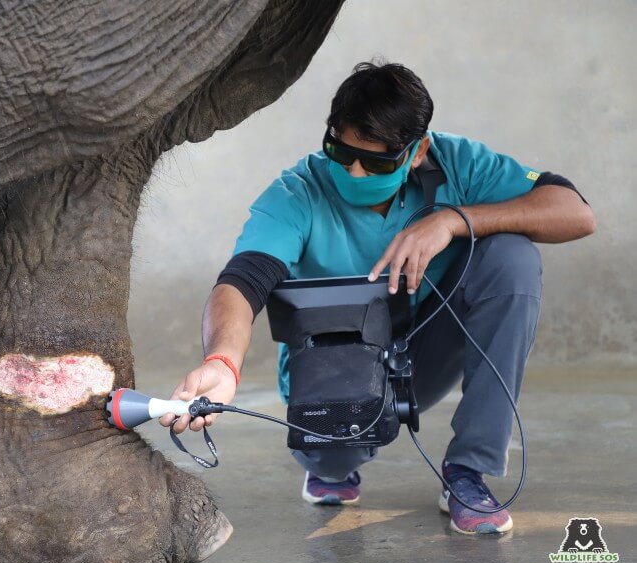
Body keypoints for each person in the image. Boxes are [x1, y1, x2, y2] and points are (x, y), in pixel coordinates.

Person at [160, 62, 596, 534]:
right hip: (333, 377)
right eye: (341, 152)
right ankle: (330, 466)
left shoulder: (457, 164)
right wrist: (223, 362)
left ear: (417, 152)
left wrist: (452, 221)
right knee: (330, 462)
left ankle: (468, 470)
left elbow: (575, 213)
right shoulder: (298, 193)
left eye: (377, 162)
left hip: (422, 355)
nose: (355, 171)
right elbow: (241, 282)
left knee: (511, 255)